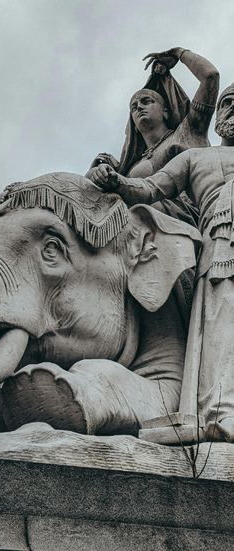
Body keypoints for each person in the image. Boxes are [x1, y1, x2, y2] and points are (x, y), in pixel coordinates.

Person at [92, 80, 234, 442]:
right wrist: (115, 180)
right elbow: (150, 188)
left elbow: (210, 75)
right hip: (221, 247)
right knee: (221, 328)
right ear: (218, 116)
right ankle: (221, 413)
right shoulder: (195, 158)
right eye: (229, 102)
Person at [87, 47, 219, 226]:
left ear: (166, 111)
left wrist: (179, 53)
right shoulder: (130, 166)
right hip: (138, 224)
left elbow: (210, 76)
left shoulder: (188, 132)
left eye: (146, 101)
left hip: (186, 219)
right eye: (134, 107)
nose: (139, 107)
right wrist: (95, 174)